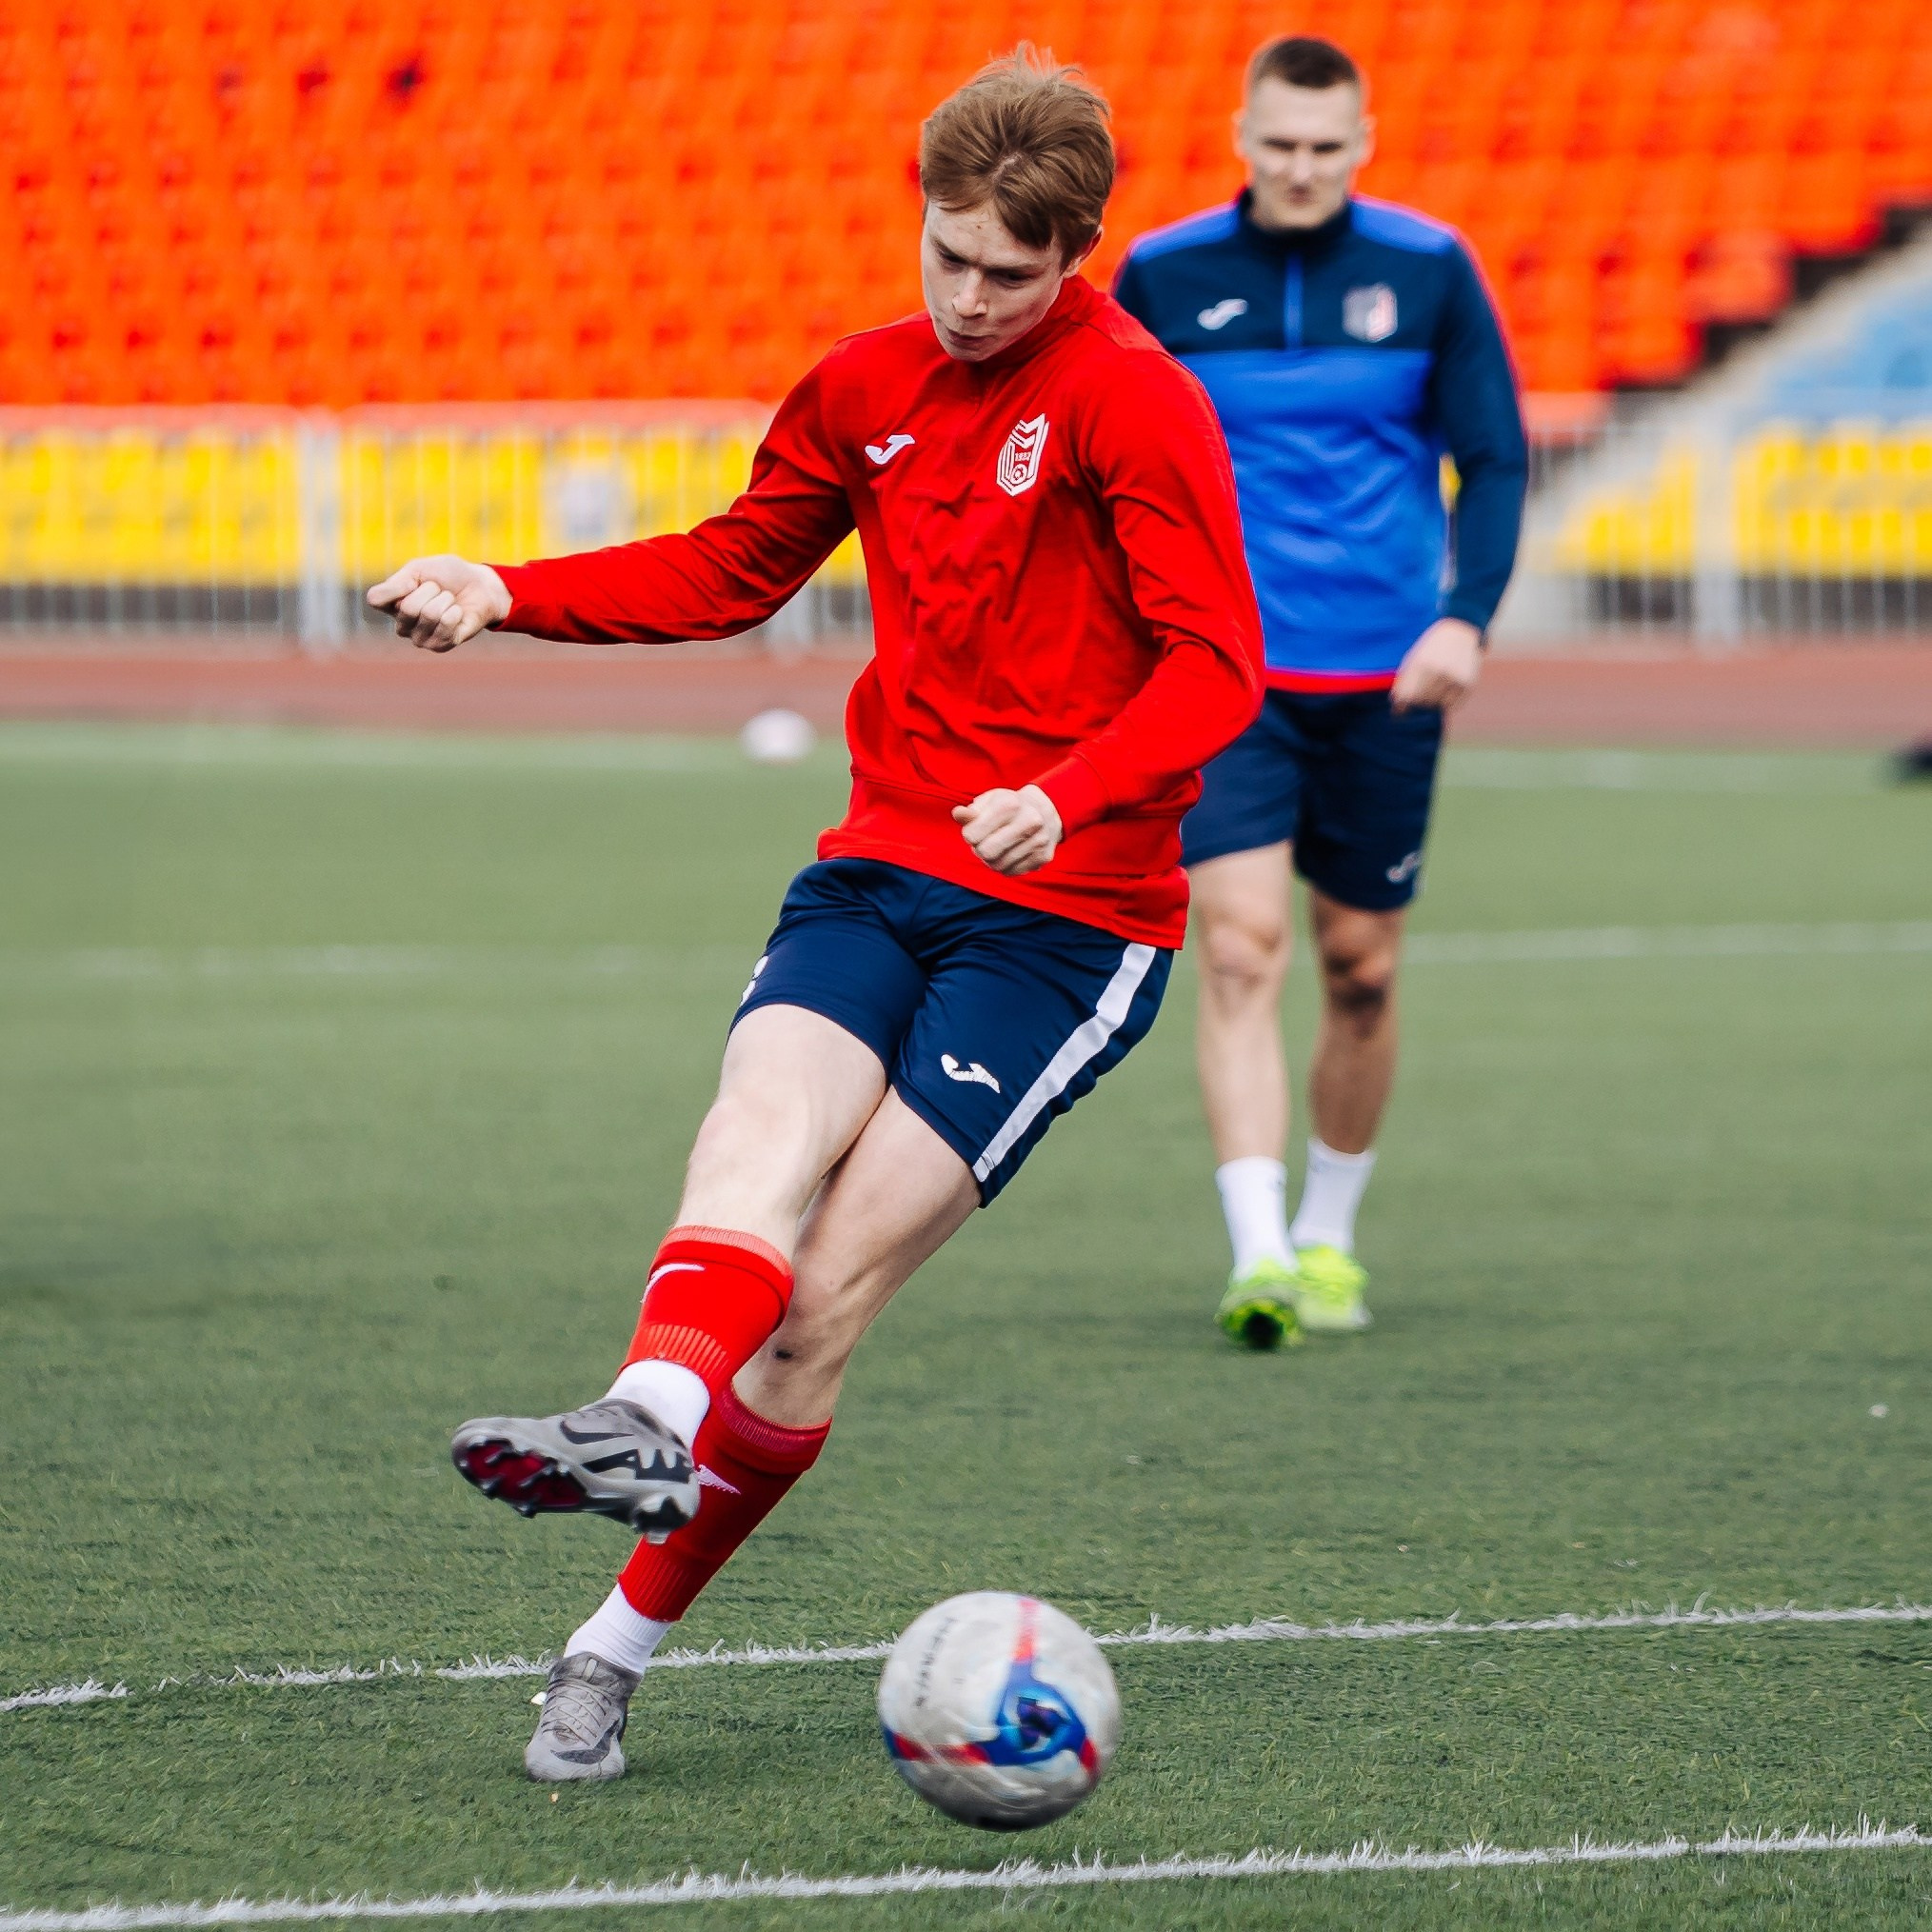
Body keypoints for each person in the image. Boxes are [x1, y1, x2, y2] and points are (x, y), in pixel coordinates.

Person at [368, 51, 1262, 1783]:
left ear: (1074, 252)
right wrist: (507, 588)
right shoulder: (863, 384)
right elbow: (726, 567)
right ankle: (640, 1413)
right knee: (753, 1131)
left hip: (1067, 920)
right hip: (881, 863)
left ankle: (608, 1649)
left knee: (815, 1304)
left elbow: (1216, 662)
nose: (975, 294)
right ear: (918, 227)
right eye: (950, 256)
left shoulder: (1131, 401)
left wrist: (1068, 791)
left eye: (1013, 270)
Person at [1112, 34, 1526, 1347]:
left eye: (1322, 146)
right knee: (1238, 948)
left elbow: (1497, 460)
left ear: (1361, 142)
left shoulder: (1427, 269)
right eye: (1276, 143)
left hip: (1385, 678)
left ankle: (1331, 1235)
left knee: (1358, 964)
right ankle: (1258, 1252)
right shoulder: (1162, 275)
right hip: (1219, 674)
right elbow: (1099, 450)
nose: (1297, 166)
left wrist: (1463, 618)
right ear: (1239, 135)